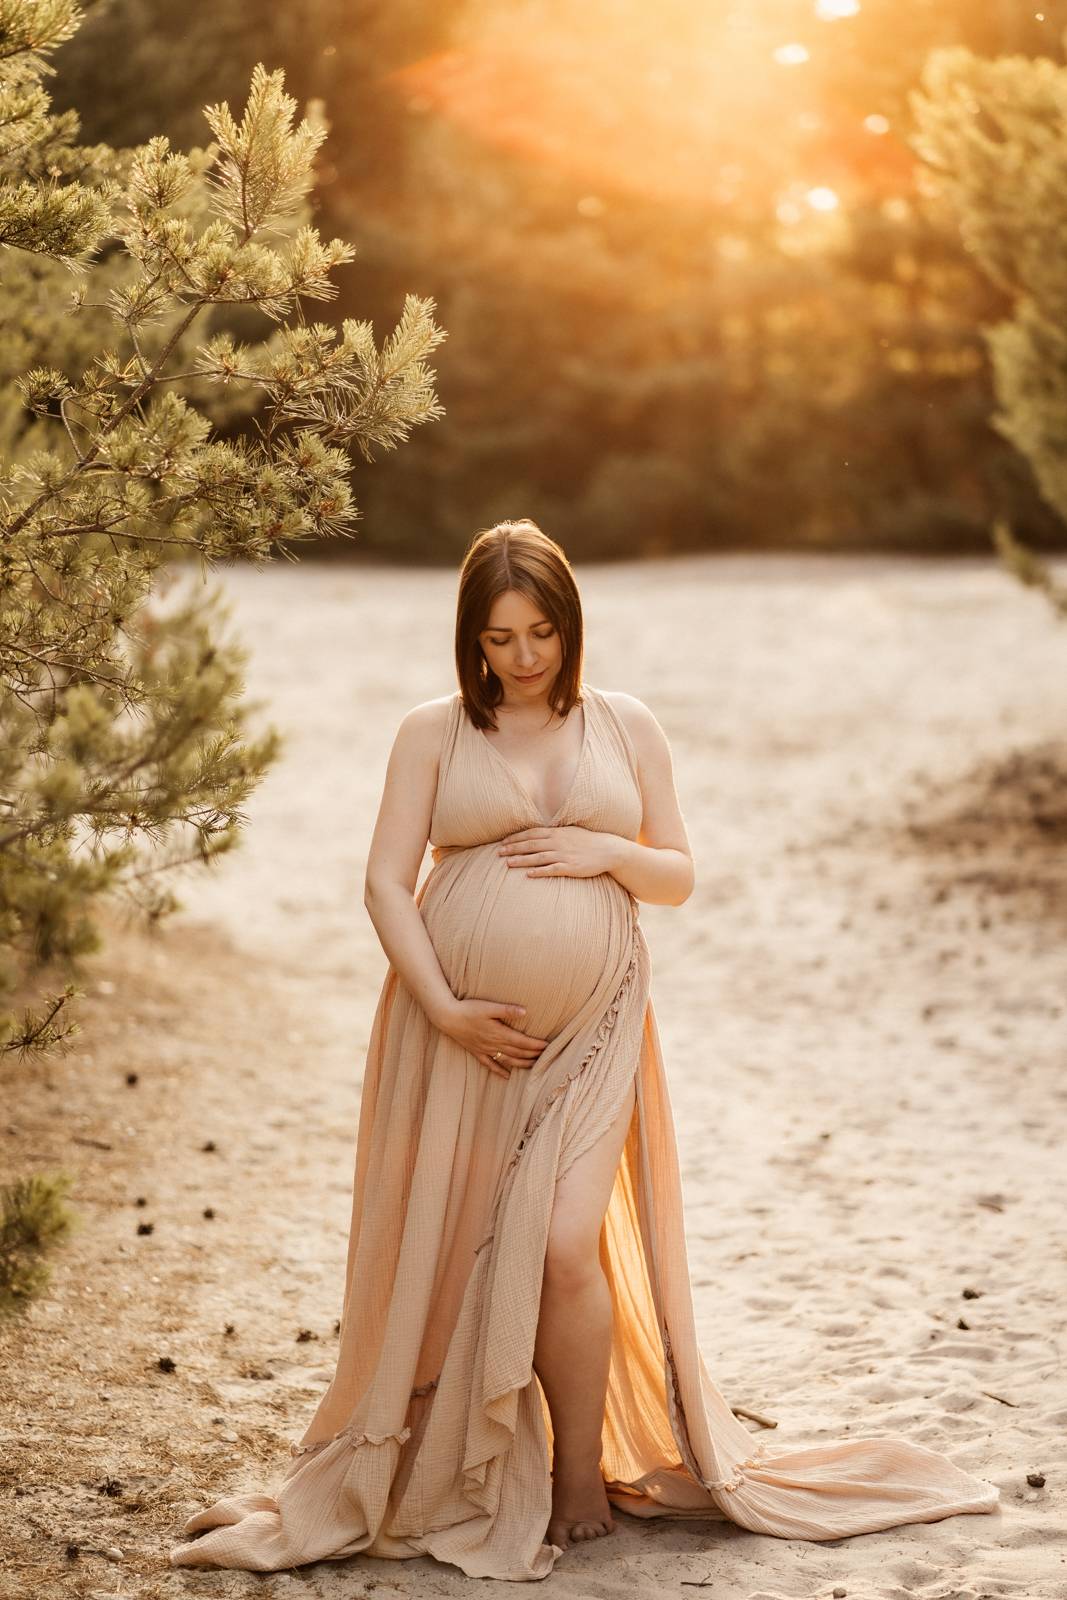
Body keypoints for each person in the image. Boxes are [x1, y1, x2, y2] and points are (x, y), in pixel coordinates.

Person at [170, 519, 1000, 1582]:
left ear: (571, 625)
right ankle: (426, 1461)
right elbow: (384, 882)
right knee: (459, 1250)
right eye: (500, 636)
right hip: (462, 1037)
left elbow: (677, 873)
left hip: (598, 1022)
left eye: (542, 632)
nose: (522, 657)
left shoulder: (626, 724)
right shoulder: (432, 731)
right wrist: (447, 1006)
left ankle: (571, 1471)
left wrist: (607, 849)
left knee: (563, 1240)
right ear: (471, 636)